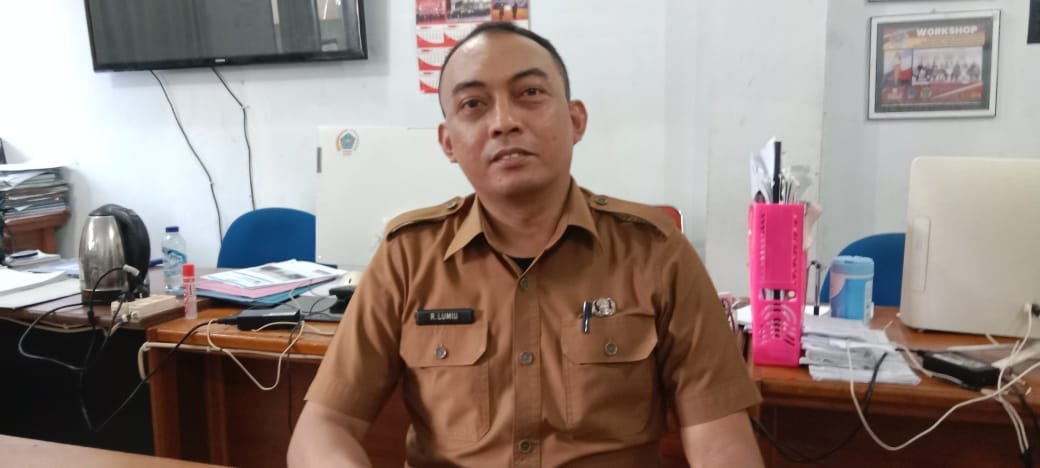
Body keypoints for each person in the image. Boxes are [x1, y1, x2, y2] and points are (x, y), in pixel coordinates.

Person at [288, 22, 763, 467]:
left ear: (576, 120)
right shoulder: (407, 256)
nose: (503, 122)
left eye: (530, 93)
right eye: (473, 104)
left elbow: (720, 439)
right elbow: (323, 428)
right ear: (448, 142)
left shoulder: (655, 252)